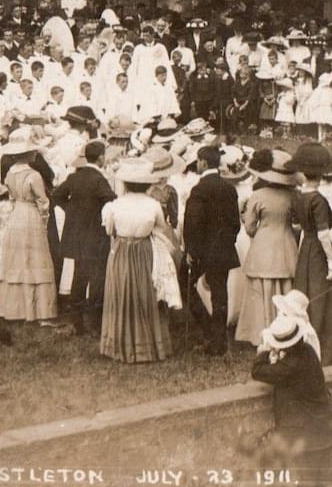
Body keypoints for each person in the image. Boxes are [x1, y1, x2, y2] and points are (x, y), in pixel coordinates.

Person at [100, 157, 177, 363]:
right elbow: (161, 227)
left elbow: (110, 230)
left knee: (121, 291)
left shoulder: (116, 204)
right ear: (147, 183)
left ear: (125, 183)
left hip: (122, 249)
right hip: (144, 250)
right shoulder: (153, 204)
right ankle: (147, 343)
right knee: (145, 293)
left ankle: (121, 342)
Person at [251, 314, 332, 487]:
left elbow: (258, 371)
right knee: (326, 484)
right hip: (322, 430)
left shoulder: (289, 366)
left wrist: (265, 350)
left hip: (306, 437)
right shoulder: (307, 351)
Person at [288, 142, 332, 365]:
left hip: (306, 246)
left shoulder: (299, 196)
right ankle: (325, 348)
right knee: (323, 294)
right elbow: (324, 234)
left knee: (306, 290)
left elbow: (296, 224)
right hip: (318, 249)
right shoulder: (318, 199)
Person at [0, 131, 58, 322]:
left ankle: (14, 306)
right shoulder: (34, 175)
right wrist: (44, 220)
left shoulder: (10, 172)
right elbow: (43, 201)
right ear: (28, 154)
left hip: (16, 214)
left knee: (17, 256)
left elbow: (11, 196)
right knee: (34, 256)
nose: (36, 154)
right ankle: (34, 307)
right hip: (30, 215)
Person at [51, 140, 116, 336]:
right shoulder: (98, 180)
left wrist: (71, 210)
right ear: (102, 157)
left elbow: (56, 195)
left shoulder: (75, 177)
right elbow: (111, 200)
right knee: (96, 279)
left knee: (79, 277)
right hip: (94, 235)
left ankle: (77, 322)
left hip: (76, 234)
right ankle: (94, 324)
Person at [182, 145, 242, 355]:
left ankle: (208, 330)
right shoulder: (229, 188)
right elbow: (235, 224)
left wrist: (191, 250)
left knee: (184, 284)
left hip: (203, 250)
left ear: (203, 163)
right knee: (220, 294)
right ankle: (219, 340)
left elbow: (193, 222)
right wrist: (226, 242)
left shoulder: (200, 189)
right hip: (223, 249)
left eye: (198, 161)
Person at [235, 150, 299, 346]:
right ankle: (286, 330)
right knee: (285, 286)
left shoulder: (258, 195)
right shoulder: (293, 196)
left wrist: (259, 233)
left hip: (263, 244)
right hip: (286, 243)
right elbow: (296, 222)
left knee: (260, 288)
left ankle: (257, 332)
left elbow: (249, 226)